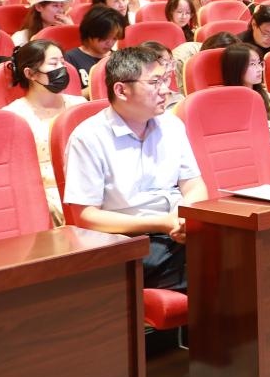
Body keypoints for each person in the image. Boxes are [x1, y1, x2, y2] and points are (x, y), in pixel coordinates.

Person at [63, 47, 208, 291]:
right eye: (154, 82)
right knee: (210, 266)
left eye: (165, 80)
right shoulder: (88, 137)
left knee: (238, 246)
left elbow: (194, 184)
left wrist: (185, 215)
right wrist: (162, 223)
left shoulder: (171, 125)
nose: (166, 90)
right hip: (125, 239)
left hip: (176, 229)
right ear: (121, 90)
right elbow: (86, 216)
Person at [3, 40, 86, 225]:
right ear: (30, 73)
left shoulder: (79, 105)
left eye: (63, 62)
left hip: (85, 181)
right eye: (53, 64)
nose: (62, 69)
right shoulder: (13, 116)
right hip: (45, 191)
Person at [66, 6, 127, 97]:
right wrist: (99, 85)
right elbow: (69, 98)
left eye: (114, 38)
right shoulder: (70, 58)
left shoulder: (119, 58)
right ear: (90, 33)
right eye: (104, 38)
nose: (110, 43)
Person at [222, 42, 270, 117]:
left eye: (259, 63)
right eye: (252, 64)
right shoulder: (227, 103)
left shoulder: (265, 95)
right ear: (237, 68)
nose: (260, 69)